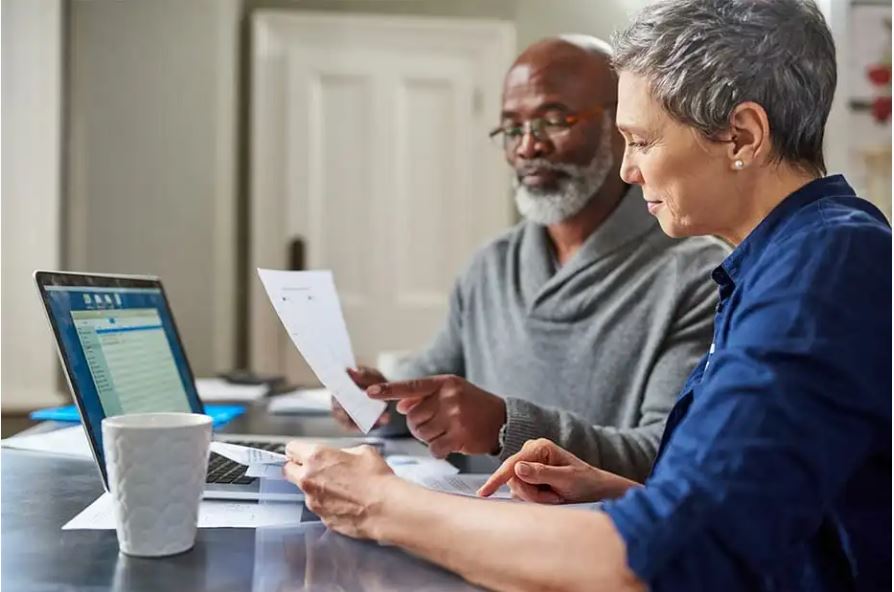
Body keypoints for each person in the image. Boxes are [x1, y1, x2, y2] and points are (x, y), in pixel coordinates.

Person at [285, 0, 892, 590]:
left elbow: (657, 558)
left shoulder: (826, 265)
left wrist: (384, 505)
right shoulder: (778, 263)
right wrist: (612, 489)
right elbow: (749, 519)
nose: (628, 170)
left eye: (642, 141)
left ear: (741, 136)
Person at [337, 34, 728, 481]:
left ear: (621, 128)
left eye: (553, 119)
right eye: (512, 127)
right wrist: (382, 400)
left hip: (592, 541)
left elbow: (667, 451)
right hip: (465, 525)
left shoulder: (697, 275)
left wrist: (506, 427)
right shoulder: (490, 266)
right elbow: (432, 389)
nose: (527, 147)